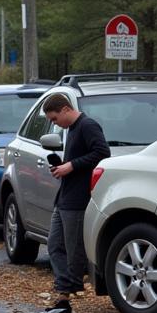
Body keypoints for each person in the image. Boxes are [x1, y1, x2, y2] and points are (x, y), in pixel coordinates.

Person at [41, 92, 110, 296]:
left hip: (78, 198)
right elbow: (80, 158)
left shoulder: (87, 125)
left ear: (65, 109)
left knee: (74, 248)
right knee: (54, 245)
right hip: (64, 197)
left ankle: (71, 284)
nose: (55, 124)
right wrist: (63, 167)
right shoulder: (71, 129)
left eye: (54, 118)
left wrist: (71, 166)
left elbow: (102, 153)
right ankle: (64, 283)